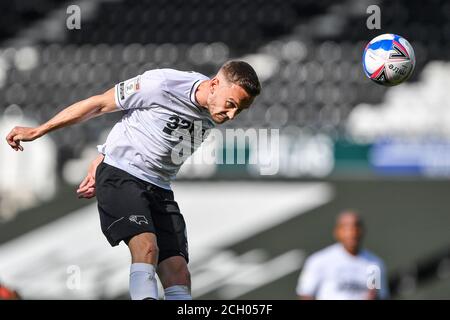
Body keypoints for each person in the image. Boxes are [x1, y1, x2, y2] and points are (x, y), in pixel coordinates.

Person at [5, 61, 261, 300]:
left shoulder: (214, 109)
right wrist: (39, 130)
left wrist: (102, 154)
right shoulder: (162, 84)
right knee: (147, 248)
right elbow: (99, 104)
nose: (231, 115)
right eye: (231, 104)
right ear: (214, 84)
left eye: (240, 109)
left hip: (160, 187)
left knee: (179, 271)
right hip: (121, 175)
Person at [296, 210, 389, 300]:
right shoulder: (320, 260)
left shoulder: (374, 264)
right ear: (337, 232)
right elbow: (306, 294)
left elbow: (379, 295)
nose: (352, 233)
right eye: (346, 228)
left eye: (356, 227)